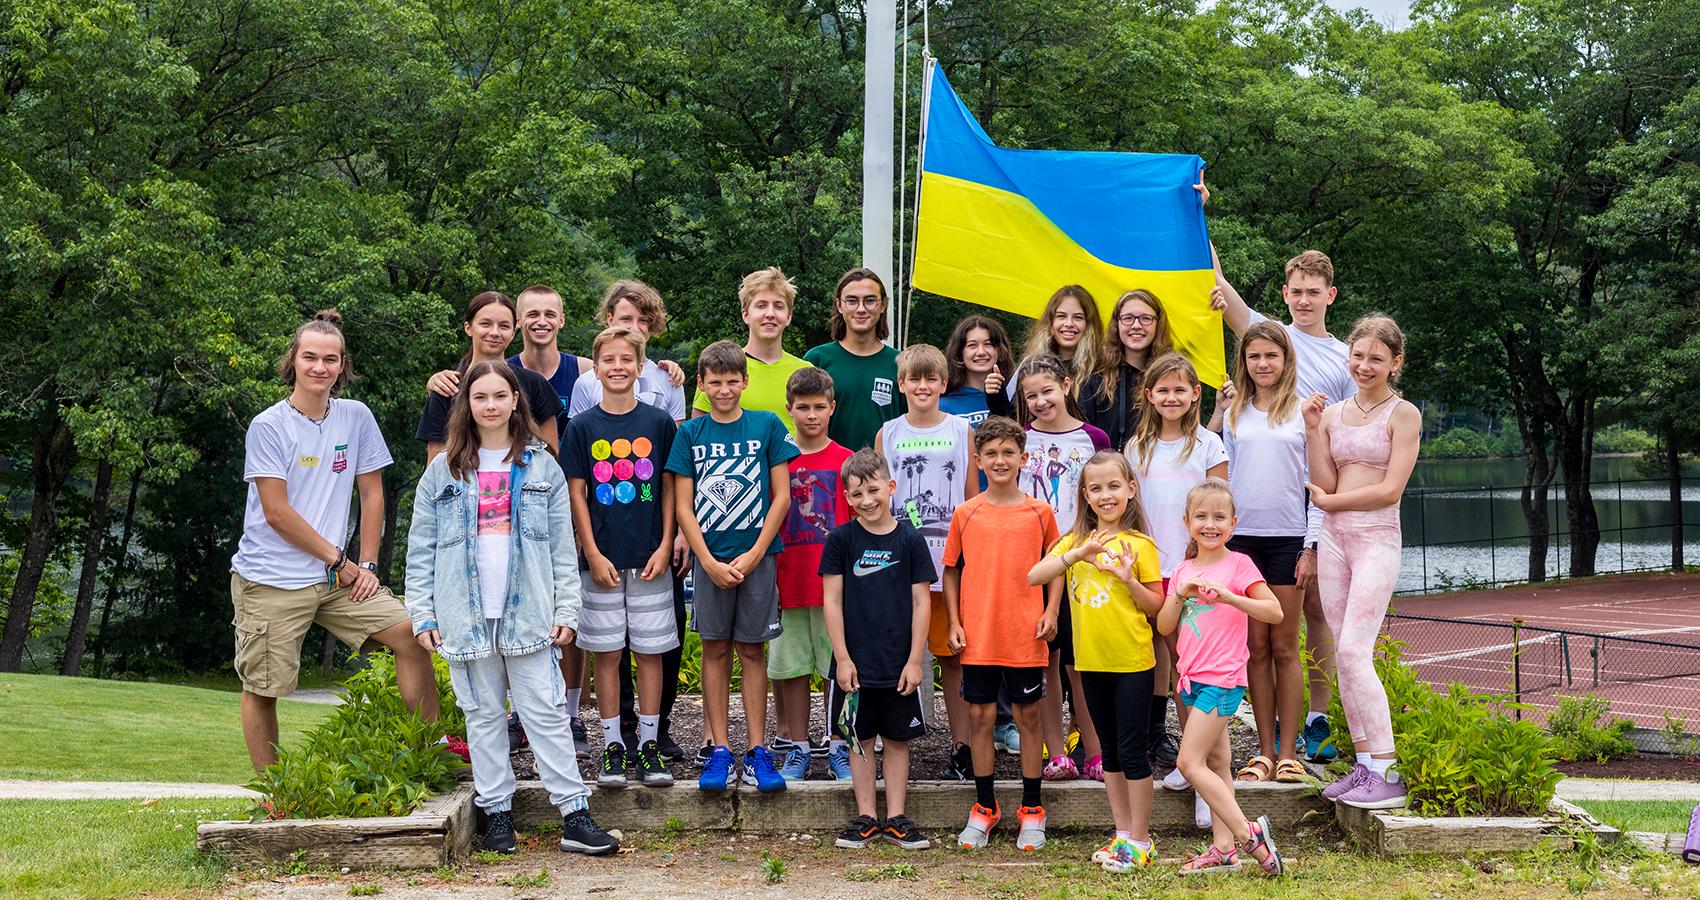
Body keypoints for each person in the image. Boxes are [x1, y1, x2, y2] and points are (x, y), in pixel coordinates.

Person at [403, 360, 618, 857]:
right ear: (468, 405)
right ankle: (497, 814)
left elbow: (564, 550)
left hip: (529, 613)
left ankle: (574, 814)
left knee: (544, 711)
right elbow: (421, 549)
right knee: (482, 716)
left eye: (501, 396)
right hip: (464, 614)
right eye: (481, 398)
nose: (491, 405)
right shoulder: (444, 471)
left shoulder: (542, 464)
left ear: (516, 401)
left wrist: (568, 608)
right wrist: (424, 614)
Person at [231, 311, 439, 772]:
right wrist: (340, 561)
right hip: (273, 579)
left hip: (338, 576)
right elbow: (277, 513)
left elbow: (371, 492)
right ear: (294, 360)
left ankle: (432, 754)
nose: (320, 368)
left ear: (342, 366)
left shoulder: (355, 416)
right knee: (264, 688)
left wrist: (366, 565)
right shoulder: (268, 426)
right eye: (310, 358)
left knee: (411, 633)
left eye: (330, 359)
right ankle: (275, 799)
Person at [1213, 248, 1354, 759]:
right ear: (1285, 294)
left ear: (1329, 296)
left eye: (1313, 292)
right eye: (1295, 291)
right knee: (1260, 643)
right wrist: (1194, 206)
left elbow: (1342, 440)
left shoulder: (1342, 358)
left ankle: (1314, 719)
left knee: (1313, 614)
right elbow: (1220, 286)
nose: (1303, 300)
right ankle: (1271, 739)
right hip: (1252, 527)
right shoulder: (1267, 337)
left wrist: (1316, 535)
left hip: (1311, 508)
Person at [666, 340, 799, 793]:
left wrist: (759, 551)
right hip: (711, 561)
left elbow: (782, 495)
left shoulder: (767, 426)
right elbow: (683, 505)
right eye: (714, 382)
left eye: (731, 381)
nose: (724, 389)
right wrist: (706, 559)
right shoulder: (690, 434)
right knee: (715, 649)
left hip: (757, 558)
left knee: (753, 650)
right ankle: (720, 749)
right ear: (701, 385)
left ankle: (758, 750)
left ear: (744, 381)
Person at [567, 279, 690, 760]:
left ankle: (650, 741)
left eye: (627, 361)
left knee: (653, 648)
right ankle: (615, 742)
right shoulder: (581, 424)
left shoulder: (660, 420)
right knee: (607, 651)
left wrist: (667, 541)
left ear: (641, 368)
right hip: (601, 558)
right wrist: (591, 551)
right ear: (595, 369)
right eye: (609, 361)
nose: (618, 367)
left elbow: (669, 484)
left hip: (650, 554)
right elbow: (576, 491)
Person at [1025, 451, 1163, 872]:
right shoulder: (1074, 543)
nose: (1106, 495)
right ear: (1085, 495)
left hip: (1133, 663)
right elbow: (1034, 575)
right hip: (1091, 664)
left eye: (1114, 486)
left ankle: (1141, 839)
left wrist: (1128, 580)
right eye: (1096, 488)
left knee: (1133, 752)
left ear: (1131, 490)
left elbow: (1157, 607)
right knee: (1110, 755)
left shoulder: (1140, 546)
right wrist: (1077, 554)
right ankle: (1122, 834)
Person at [1307, 315, 1421, 811]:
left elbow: (1391, 490)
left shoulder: (1404, 414)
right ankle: (1366, 766)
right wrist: (1313, 430)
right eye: (1357, 355)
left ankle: (1389, 770)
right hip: (1333, 542)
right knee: (1342, 655)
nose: (1364, 365)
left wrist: (1331, 505)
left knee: (1355, 652)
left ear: (1395, 363)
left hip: (1375, 539)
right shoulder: (1332, 413)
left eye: (1376, 358)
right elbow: (1323, 479)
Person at [1157, 478, 1284, 877]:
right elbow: (1164, 626)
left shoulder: (1239, 565)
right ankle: (1224, 850)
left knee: (1189, 761)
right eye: (1201, 516)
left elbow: (1275, 612)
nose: (1210, 524)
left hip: (1224, 679)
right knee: (1217, 761)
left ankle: (1249, 836)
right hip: (1191, 679)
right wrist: (1181, 593)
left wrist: (1230, 596)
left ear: (1233, 522)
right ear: (1186, 521)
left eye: (1219, 517)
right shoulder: (1182, 570)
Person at [944, 417, 1059, 851]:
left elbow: (1056, 568)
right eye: (991, 453)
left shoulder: (1040, 513)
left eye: (1008, 453)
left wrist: (1050, 610)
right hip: (979, 634)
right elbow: (952, 569)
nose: (999, 460)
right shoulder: (966, 513)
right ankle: (985, 807)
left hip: (1025, 634)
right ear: (977, 460)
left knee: (1029, 717)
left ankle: (1032, 808)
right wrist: (955, 621)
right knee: (980, 718)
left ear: (1023, 459)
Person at [824, 449, 936, 851]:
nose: (866, 500)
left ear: (891, 487)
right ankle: (867, 816)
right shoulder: (840, 540)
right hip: (855, 663)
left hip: (898, 663)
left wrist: (914, 660)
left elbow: (923, 602)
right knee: (859, 739)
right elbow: (832, 601)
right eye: (856, 494)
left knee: (896, 740)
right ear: (847, 497)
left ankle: (897, 817)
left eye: (873, 490)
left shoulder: (910, 539)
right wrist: (841, 657)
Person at [874, 344, 977, 779]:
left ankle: (963, 746)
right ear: (901, 385)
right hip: (901, 566)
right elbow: (878, 500)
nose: (922, 386)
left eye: (930, 379)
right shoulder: (889, 433)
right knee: (897, 654)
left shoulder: (959, 430)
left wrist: (970, 554)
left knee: (952, 656)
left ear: (943, 383)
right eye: (913, 379)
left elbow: (972, 497)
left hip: (948, 563)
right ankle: (895, 743)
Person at [1128, 353, 1228, 796]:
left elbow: (1219, 509)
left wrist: (1203, 561)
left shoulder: (1209, 445)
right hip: (1152, 570)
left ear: (1195, 395)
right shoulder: (1137, 447)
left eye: (1179, 390)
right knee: (1167, 669)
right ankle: (1189, 760)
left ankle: (1203, 768)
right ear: (1149, 395)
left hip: (1195, 572)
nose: (1171, 397)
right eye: (1162, 390)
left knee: (1194, 671)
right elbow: (1131, 512)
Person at [1221, 322, 1314, 784]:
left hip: (1287, 538)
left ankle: (1290, 751)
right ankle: (1262, 752)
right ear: (1245, 362)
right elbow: (1227, 480)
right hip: (1243, 541)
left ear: (1285, 360)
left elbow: (1317, 485)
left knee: (1283, 645)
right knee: (1254, 648)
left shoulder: (1305, 412)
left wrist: (1310, 546)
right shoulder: (1234, 413)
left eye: (1271, 357)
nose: (1263, 364)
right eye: (1254, 357)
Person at [1016, 355, 1111, 783]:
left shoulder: (1094, 438)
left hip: (1084, 561)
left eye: (1047, 391)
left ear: (1067, 385)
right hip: (1036, 563)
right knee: (1047, 659)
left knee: (1082, 661)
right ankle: (1057, 752)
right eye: (1030, 395)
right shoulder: (1020, 440)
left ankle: (1094, 747)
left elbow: (1106, 498)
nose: (1039, 401)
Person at [939, 315, 1021, 754]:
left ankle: (1007, 719)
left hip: (1005, 520)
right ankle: (980, 717)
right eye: (971, 344)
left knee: (1006, 617)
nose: (980, 351)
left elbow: (1017, 441)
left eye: (988, 343)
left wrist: (997, 401)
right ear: (959, 351)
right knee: (973, 622)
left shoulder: (1008, 395)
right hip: (959, 521)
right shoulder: (946, 399)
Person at [772, 367, 853, 782]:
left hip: (835, 589)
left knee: (837, 668)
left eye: (819, 407)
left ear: (832, 408)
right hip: (788, 581)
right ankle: (799, 748)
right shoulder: (777, 460)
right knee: (793, 670)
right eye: (802, 407)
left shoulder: (846, 461)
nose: (811, 415)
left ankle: (839, 746)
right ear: (789, 410)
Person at [419, 291, 562, 461]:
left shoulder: (535, 385)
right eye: (486, 324)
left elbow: (551, 459)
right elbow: (435, 471)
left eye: (503, 326)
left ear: (513, 330)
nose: (495, 332)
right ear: (468, 328)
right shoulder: (447, 388)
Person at [692, 266, 812, 433]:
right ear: (745, 314)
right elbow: (697, 437)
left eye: (778, 306)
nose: (770, 314)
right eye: (761, 305)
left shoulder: (805, 371)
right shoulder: (719, 368)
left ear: (789, 317)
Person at [803, 267, 903, 449]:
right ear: (839, 305)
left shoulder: (901, 363)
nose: (861, 309)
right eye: (852, 301)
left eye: (870, 300)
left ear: (883, 305)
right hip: (829, 473)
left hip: (884, 472)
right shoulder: (816, 359)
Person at [1079, 290, 1176, 453]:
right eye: (1128, 318)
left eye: (1146, 318)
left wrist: (1218, 411)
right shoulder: (1095, 381)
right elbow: (1082, 440)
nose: (1136, 325)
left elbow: (1192, 433)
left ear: (1158, 324)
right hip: (1107, 474)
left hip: (1160, 473)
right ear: (1117, 324)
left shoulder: (1172, 378)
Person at [1009, 285, 1104, 422]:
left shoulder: (1103, 371)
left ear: (1089, 325)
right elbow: (1013, 419)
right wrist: (996, 397)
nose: (1069, 324)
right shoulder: (1031, 366)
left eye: (1078, 317)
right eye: (1061, 316)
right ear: (1050, 323)